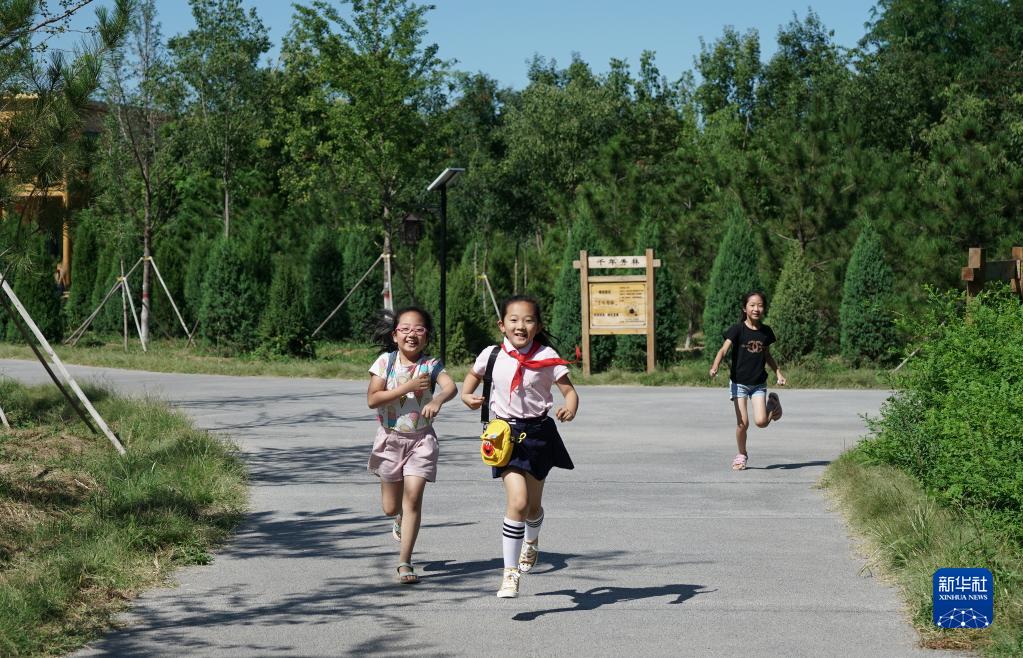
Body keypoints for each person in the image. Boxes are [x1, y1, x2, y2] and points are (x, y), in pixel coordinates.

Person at [461, 295, 579, 598]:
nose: (520, 326)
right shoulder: (491, 355)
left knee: (532, 508)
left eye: (528, 320)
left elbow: (570, 392)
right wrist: (467, 396)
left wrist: (569, 407)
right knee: (517, 501)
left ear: (537, 325)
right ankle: (509, 574)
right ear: (502, 324)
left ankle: (532, 541)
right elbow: (472, 379)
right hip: (505, 436)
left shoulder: (547, 356)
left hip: (539, 435)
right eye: (513, 319)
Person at [367, 306, 456, 584]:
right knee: (390, 507)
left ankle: (405, 562)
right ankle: (398, 518)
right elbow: (373, 399)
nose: (411, 334)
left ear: (426, 336)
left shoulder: (431, 365)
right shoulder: (385, 363)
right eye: (405, 329)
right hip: (391, 440)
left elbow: (450, 386)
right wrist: (407, 387)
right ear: (395, 335)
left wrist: (436, 400)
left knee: (414, 497)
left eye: (418, 329)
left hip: (422, 441)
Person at [709, 291, 787, 471]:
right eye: (752, 305)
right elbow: (723, 350)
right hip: (739, 384)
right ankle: (741, 454)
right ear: (745, 308)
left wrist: (778, 373)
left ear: (763, 308)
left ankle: (773, 404)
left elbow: (767, 355)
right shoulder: (737, 329)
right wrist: (715, 366)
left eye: (759, 305)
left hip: (758, 383)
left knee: (761, 422)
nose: (756, 309)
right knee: (742, 423)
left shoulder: (766, 332)